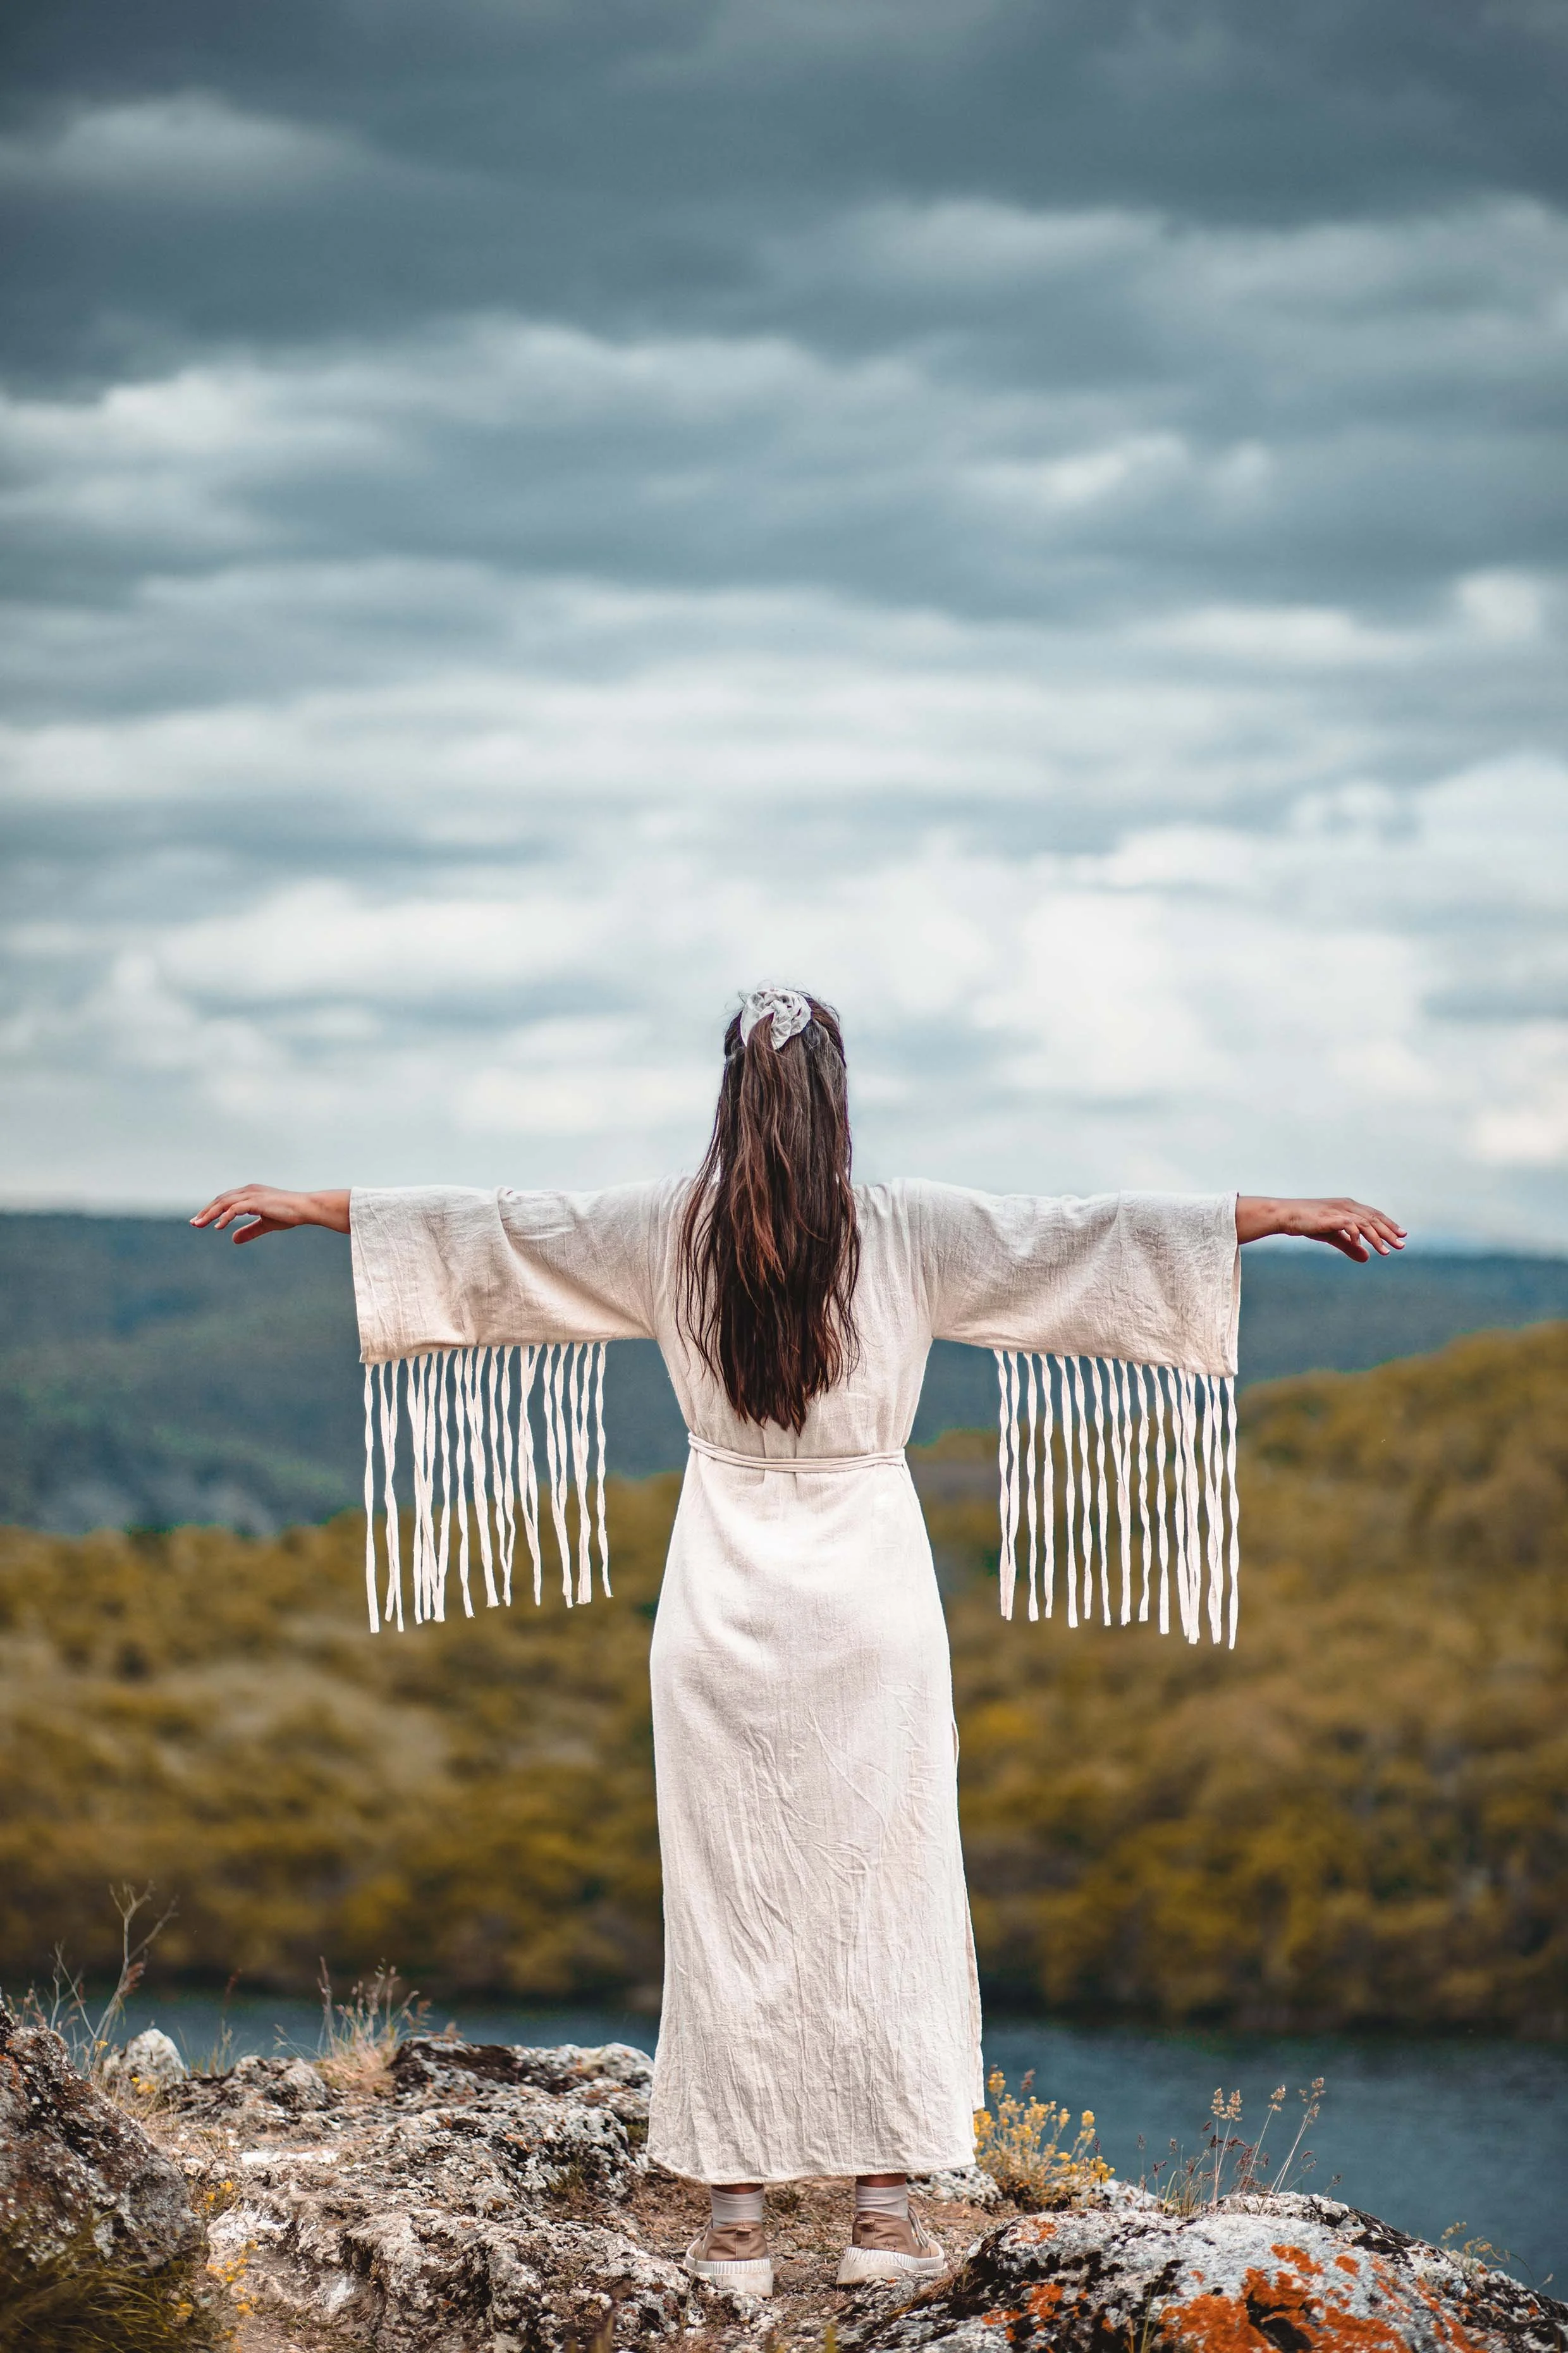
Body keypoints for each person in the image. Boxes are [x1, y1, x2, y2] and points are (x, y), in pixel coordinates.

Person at [193, 985, 1403, 2297]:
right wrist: (1277, 1213)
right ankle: (883, 2216)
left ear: (730, 1098)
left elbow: (489, 1231)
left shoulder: (664, 1227)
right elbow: (1087, 1236)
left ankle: (736, 2233)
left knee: (732, 1903)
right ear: (838, 1100)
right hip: (871, 1600)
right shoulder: (910, 1225)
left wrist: (318, 1206)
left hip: (718, 1598)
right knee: (887, 1890)